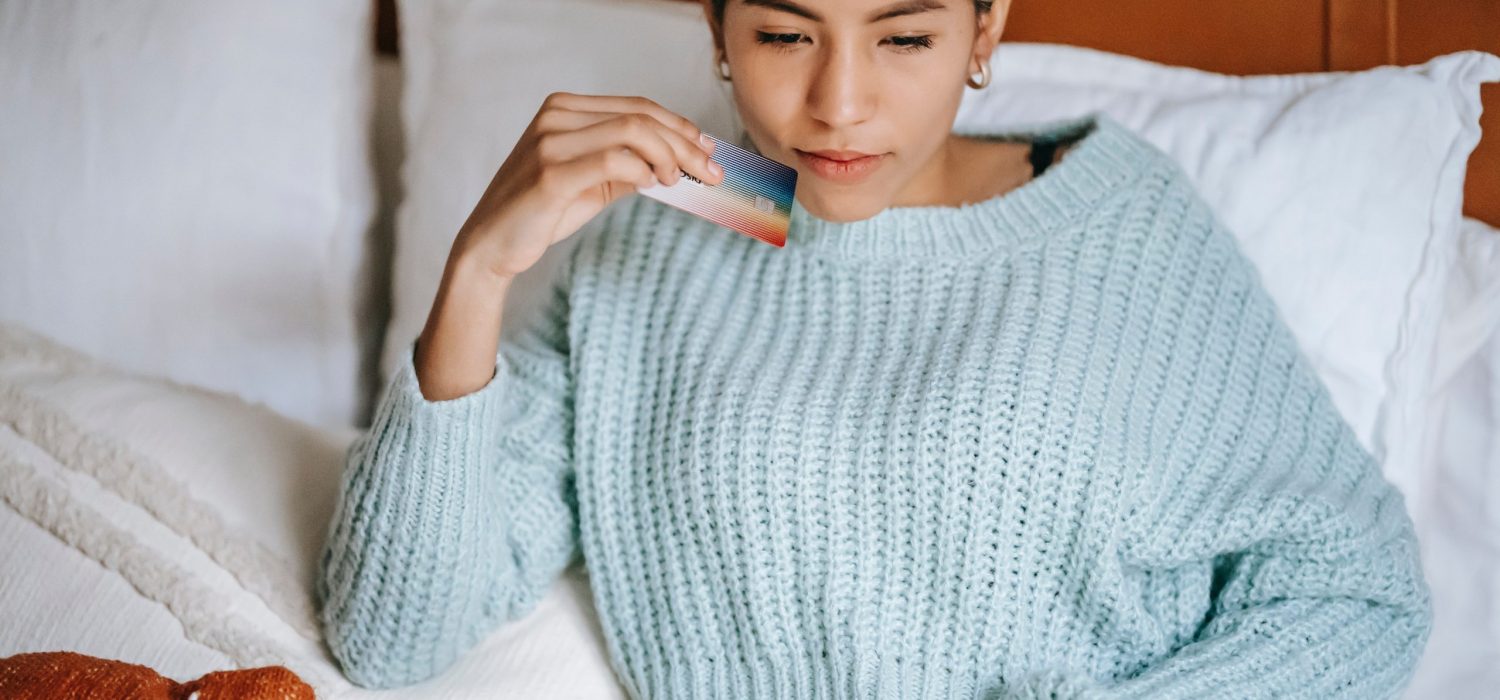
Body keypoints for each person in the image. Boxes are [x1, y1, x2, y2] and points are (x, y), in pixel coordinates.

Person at [315, 0, 1434, 697]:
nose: (839, 103)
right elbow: (391, 635)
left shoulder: (1111, 221)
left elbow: (1355, 590)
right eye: (784, 34)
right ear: (714, 29)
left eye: (904, 35)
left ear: (986, 29)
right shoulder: (672, 227)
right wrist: (476, 277)